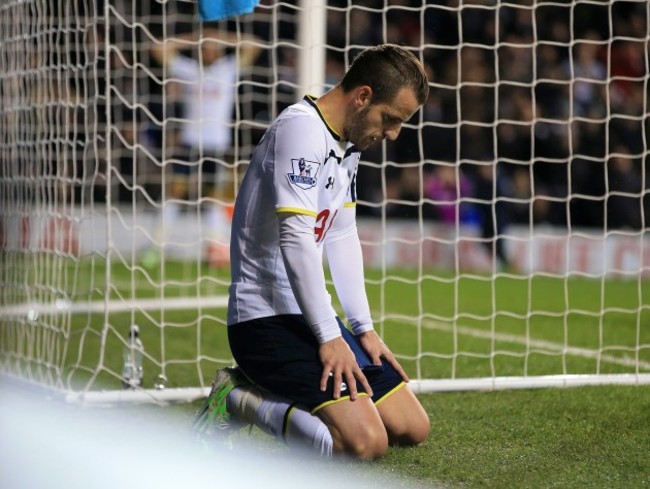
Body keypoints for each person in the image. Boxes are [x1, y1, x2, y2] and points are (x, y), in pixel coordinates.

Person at [194, 44, 431, 460]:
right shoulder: (301, 129)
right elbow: (297, 239)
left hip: (306, 314)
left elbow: (341, 234)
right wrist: (328, 335)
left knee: (412, 427)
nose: (393, 134)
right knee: (364, 444)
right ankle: (238, 398)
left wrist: (361, 327)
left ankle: (305, 392)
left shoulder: (347, 143)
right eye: (391, 119)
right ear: (363, 96)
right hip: (263, 320)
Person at [143, 27, 261, 268]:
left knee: (214, 199)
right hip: (189, 144)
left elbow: (255, 45)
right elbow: (157, 49)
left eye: (213, 47)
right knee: (175, 193)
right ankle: (156, 248)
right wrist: (193, 38)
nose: (210, 51)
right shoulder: (189, 71)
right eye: (206, 47)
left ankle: (215, 250)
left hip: (217, 146)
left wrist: (219, 36)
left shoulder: (227, 69)